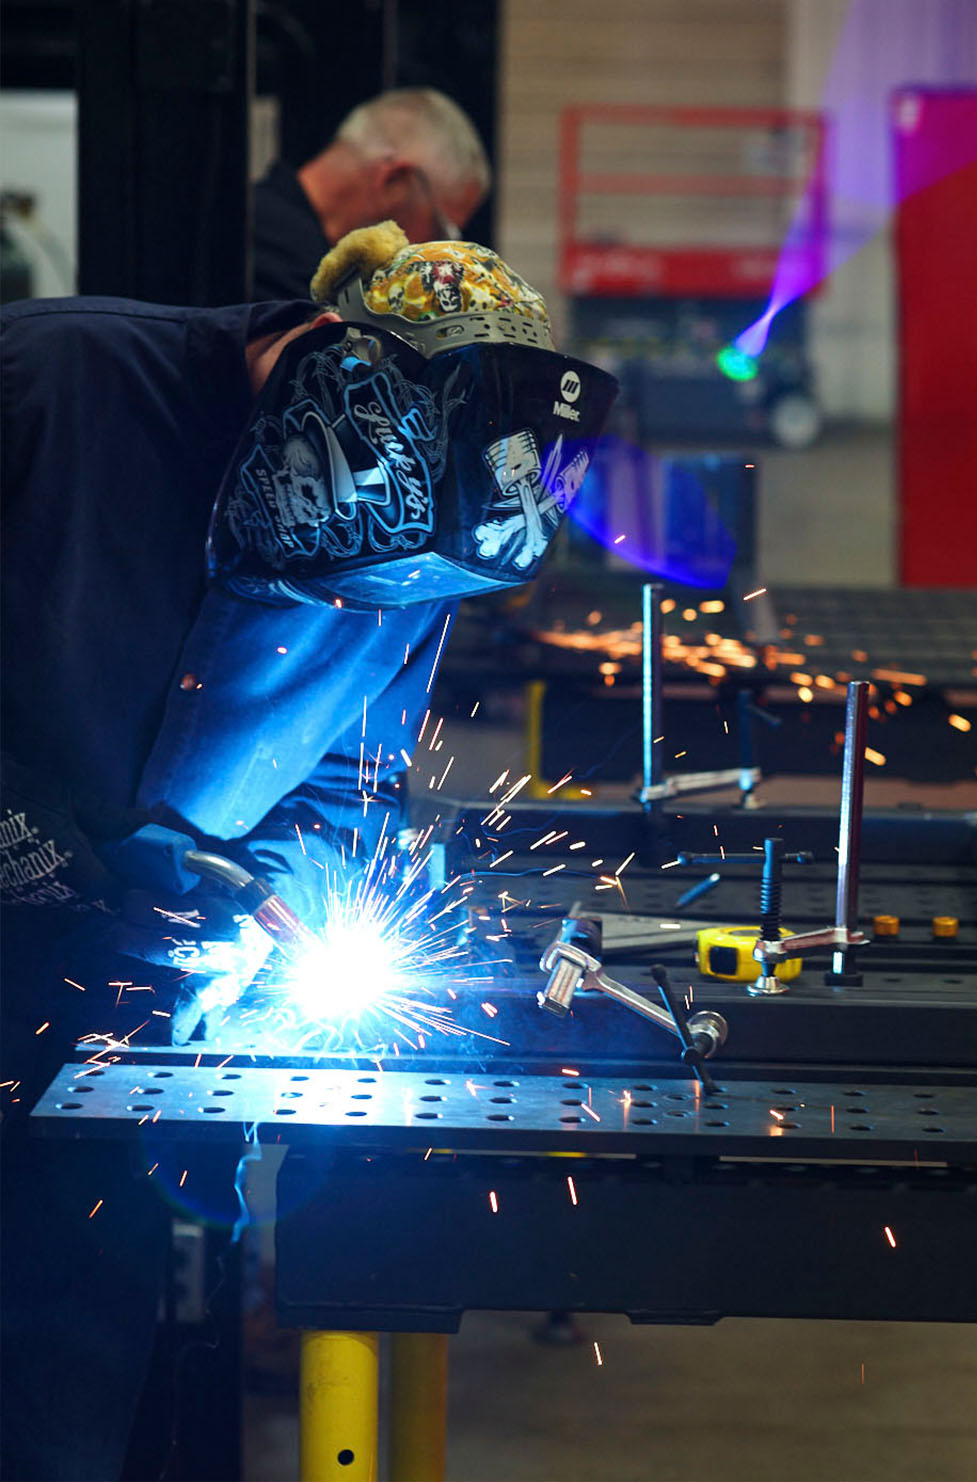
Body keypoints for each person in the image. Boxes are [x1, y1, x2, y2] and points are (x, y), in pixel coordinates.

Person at [0, 221, 616, 1479]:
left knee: (54, 1409)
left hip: (94, 1047)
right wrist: (35, 839)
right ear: (313, 371)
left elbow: (350, 779)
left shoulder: (425, 528)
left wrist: (287, 889)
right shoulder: (47, 392)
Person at [252, 87, 491, 302]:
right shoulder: (271, 262)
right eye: (441, 231)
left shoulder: (262, 229)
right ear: (394, 182)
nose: (436, 258)